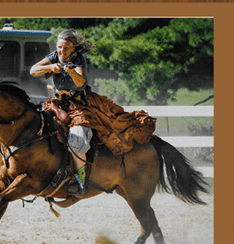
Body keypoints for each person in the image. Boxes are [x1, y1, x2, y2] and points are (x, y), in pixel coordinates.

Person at [31, 29, 156, 196]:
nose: (62, 51)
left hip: (79, 105)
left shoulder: (78, 59)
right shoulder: (54, 56)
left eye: (66, 48)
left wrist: (70, 71)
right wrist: (51, 66)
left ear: (73, 48)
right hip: (57, 104)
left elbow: (81, 81)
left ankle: (80, 181)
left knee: (77, 138)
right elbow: (33, 70)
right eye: (60, 47)